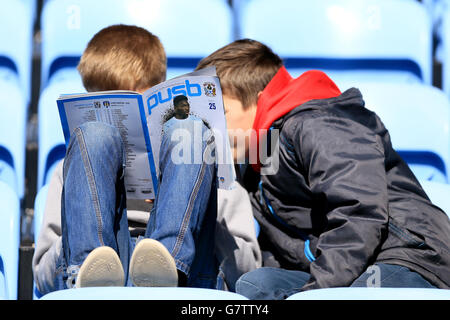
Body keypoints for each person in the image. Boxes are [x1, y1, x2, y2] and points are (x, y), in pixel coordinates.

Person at [195, 39, 450, 299]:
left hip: (409, 257)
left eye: (220, 112)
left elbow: (359, 212)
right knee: (256, 284)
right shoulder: (259, 162)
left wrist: (317, 293)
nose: (213, 128)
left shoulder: (319, 122)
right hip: (345, 270)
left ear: (259, 100)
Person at [32, 25, 261, 294]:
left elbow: (247, 274)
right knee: (94, 137)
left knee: (189, 130)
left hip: (184, 279)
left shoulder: (200, 158)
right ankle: (90, 271)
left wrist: (198, 203)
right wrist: (80, 226)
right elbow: (44, 278)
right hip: (92, 281)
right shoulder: (70, 171)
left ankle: (165, 264)